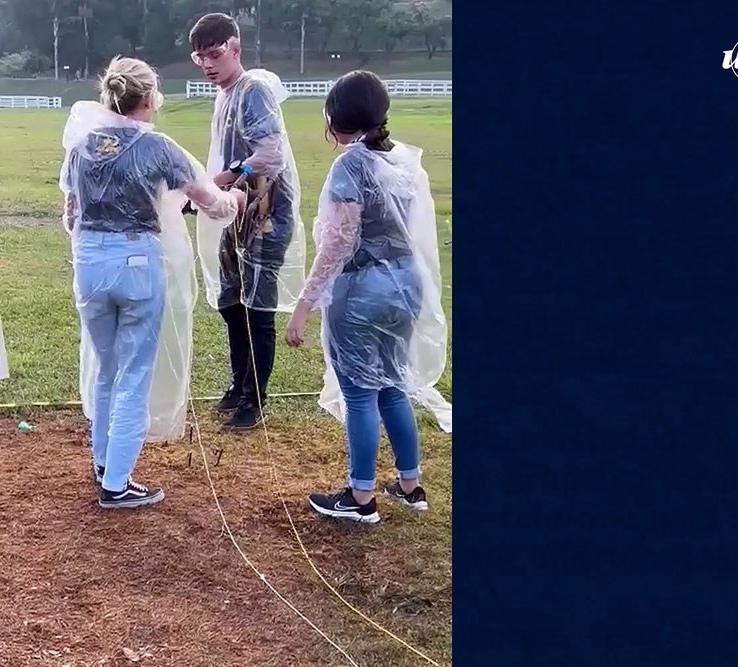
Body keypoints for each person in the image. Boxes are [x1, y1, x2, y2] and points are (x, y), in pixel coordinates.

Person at [60, 56, 246, 509]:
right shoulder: (160, 147)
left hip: (89, 261)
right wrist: (236, 198)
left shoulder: (81, 145)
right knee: (134, 373)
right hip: (138, 261)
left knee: (105, 368)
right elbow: (211, 203)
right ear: (147, 99)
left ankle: (104, 462)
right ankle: (117, 481)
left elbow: (70, 214)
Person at [284, 71, 452, 524]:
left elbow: (339, 240)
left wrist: (304, 304)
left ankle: (360, 498)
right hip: (405, 283)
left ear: (336, 117)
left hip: (363, 289)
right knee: (393, 383)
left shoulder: (351, 165)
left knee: (360, 393)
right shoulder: (402, 161)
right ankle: (410, 485)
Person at [187, 12, 307, 431]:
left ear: (236, 49)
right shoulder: (225, 93)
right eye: (199, 56)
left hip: (267, 215)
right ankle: (239, 384)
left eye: (215, 54)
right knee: (231, 302)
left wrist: (220, 180)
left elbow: (270, 155)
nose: (206, 64)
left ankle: (255, 400)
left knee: (258, 308)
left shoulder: (252, 90)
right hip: (238, 212)